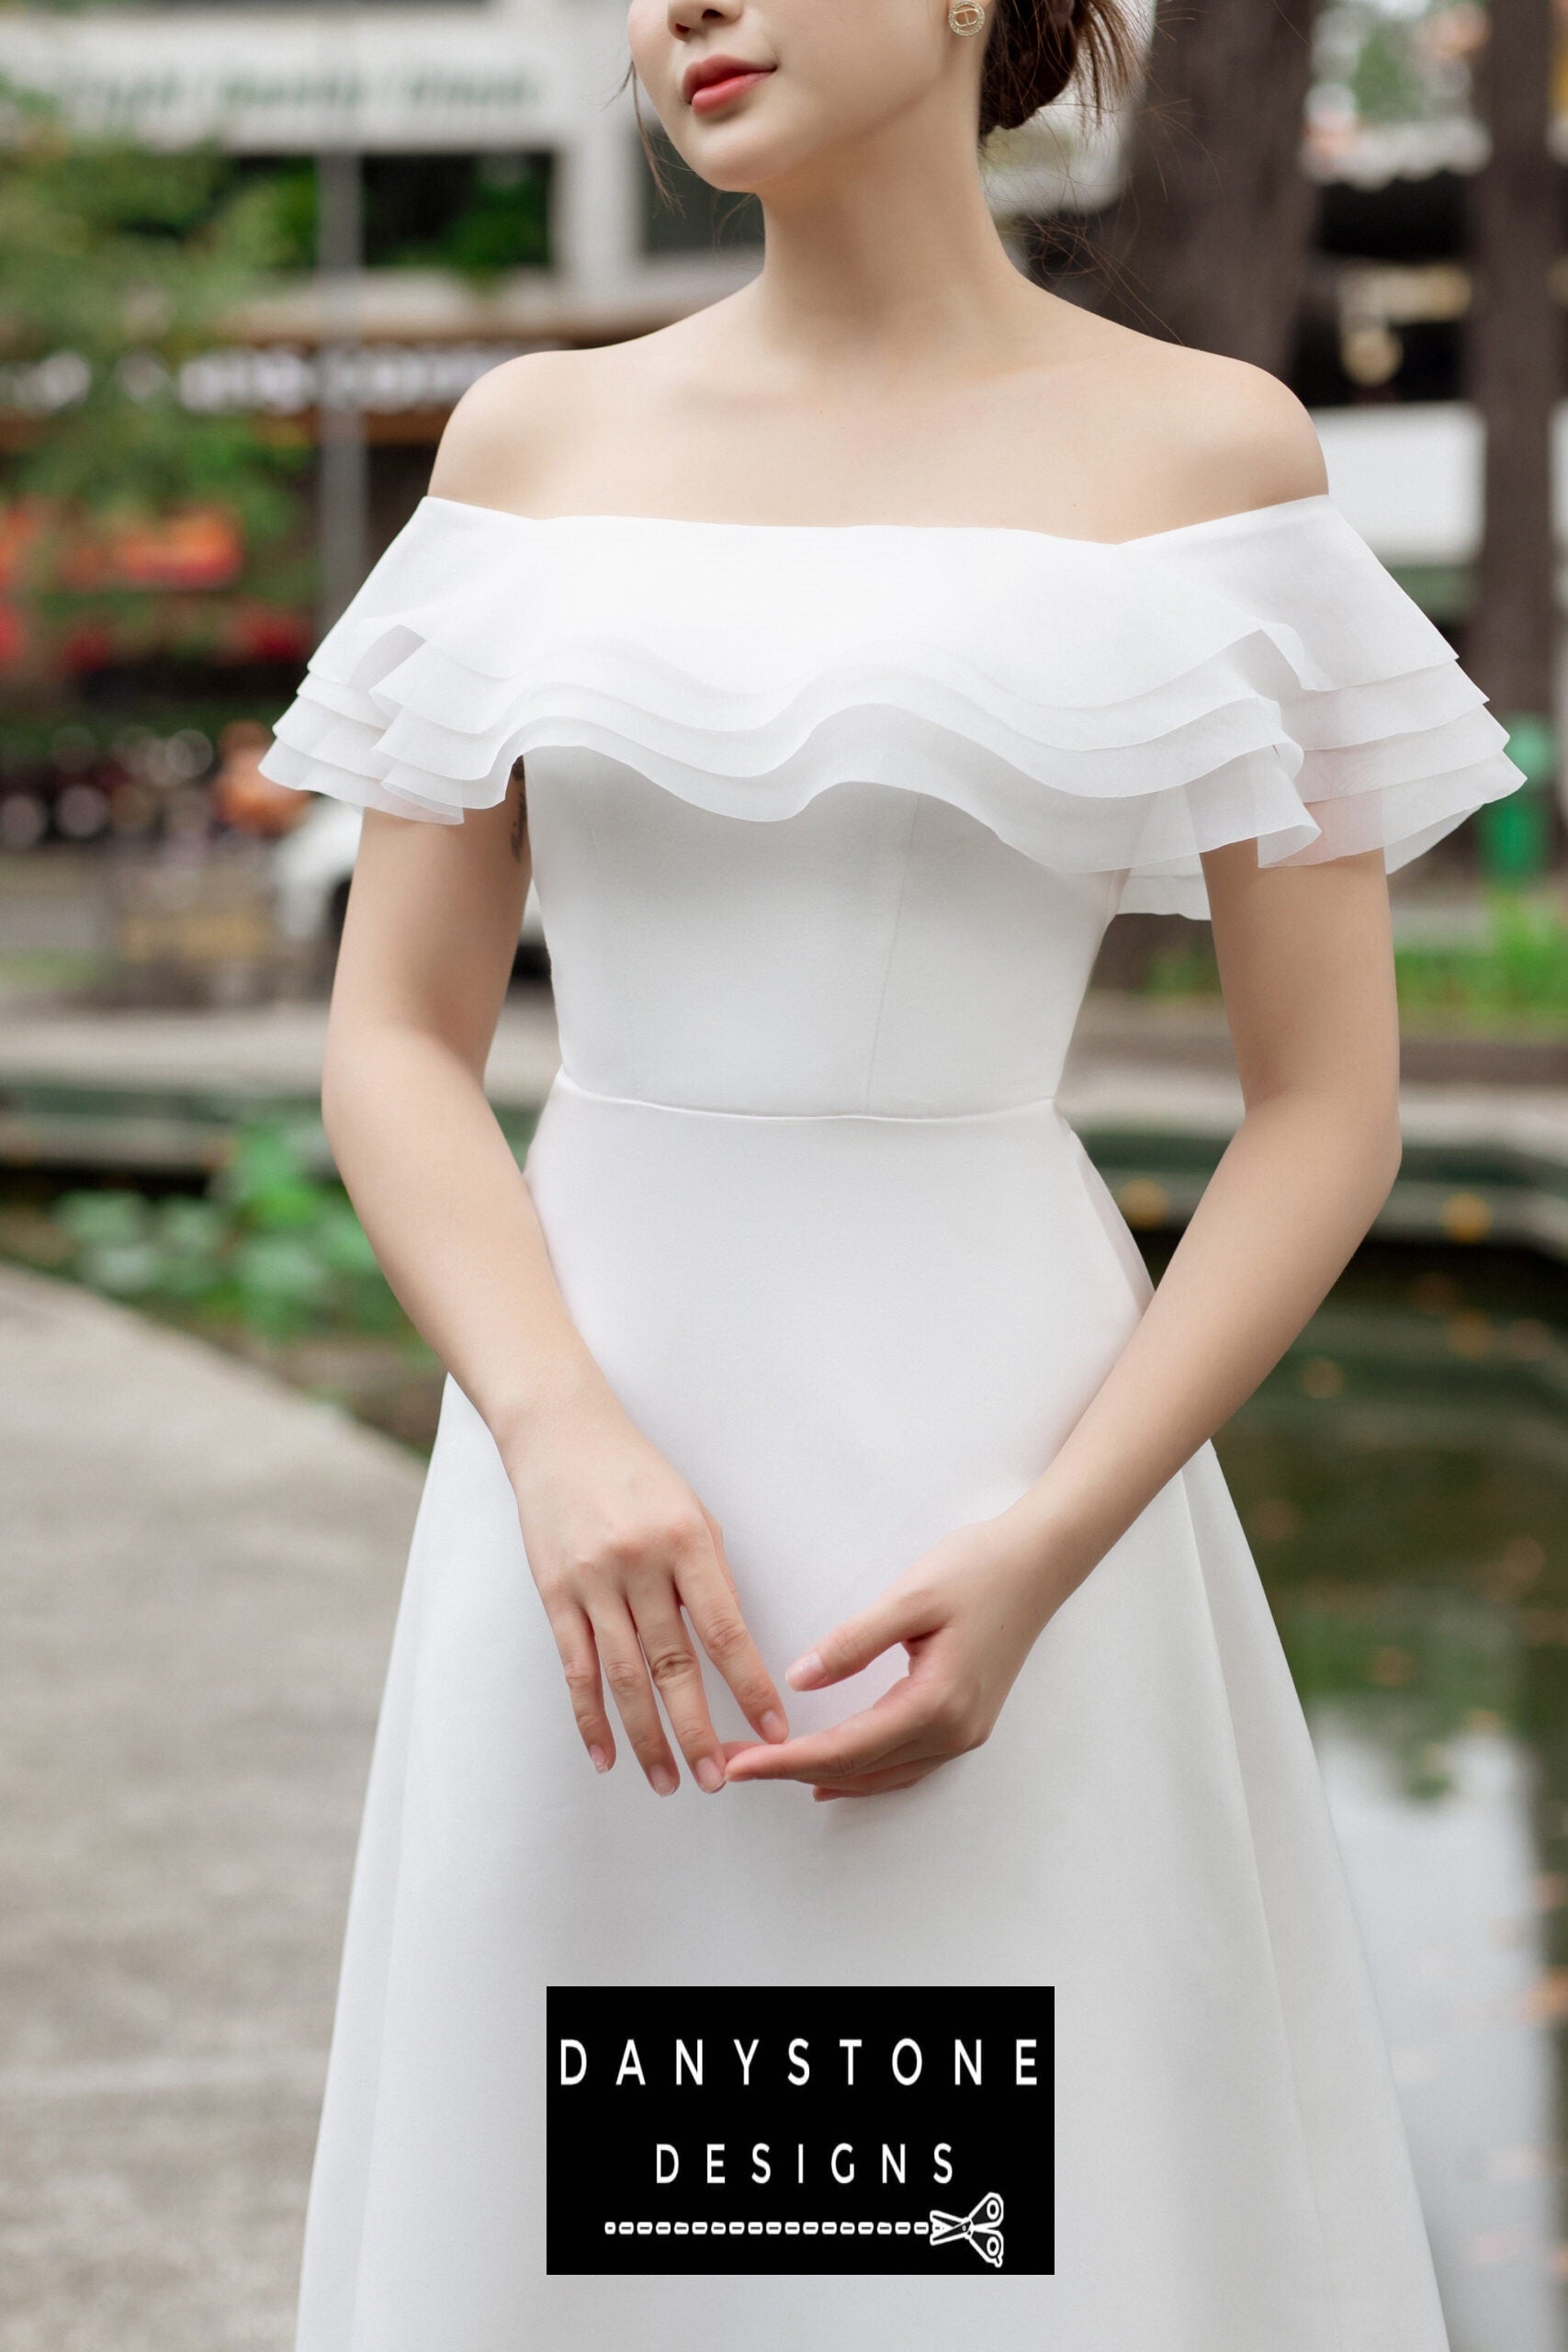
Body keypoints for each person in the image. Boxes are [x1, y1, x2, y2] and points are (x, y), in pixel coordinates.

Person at [259, 3, 1522, 2345]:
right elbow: (397, 1039)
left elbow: (1321, 1106)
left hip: (1011, 1473)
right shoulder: (536, 438)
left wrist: (1046, 1544)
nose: (683, 13)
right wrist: (555, 1428)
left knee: (995, 2244)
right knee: (586, 2224)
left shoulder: (1198, 447)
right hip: (590, 1471)